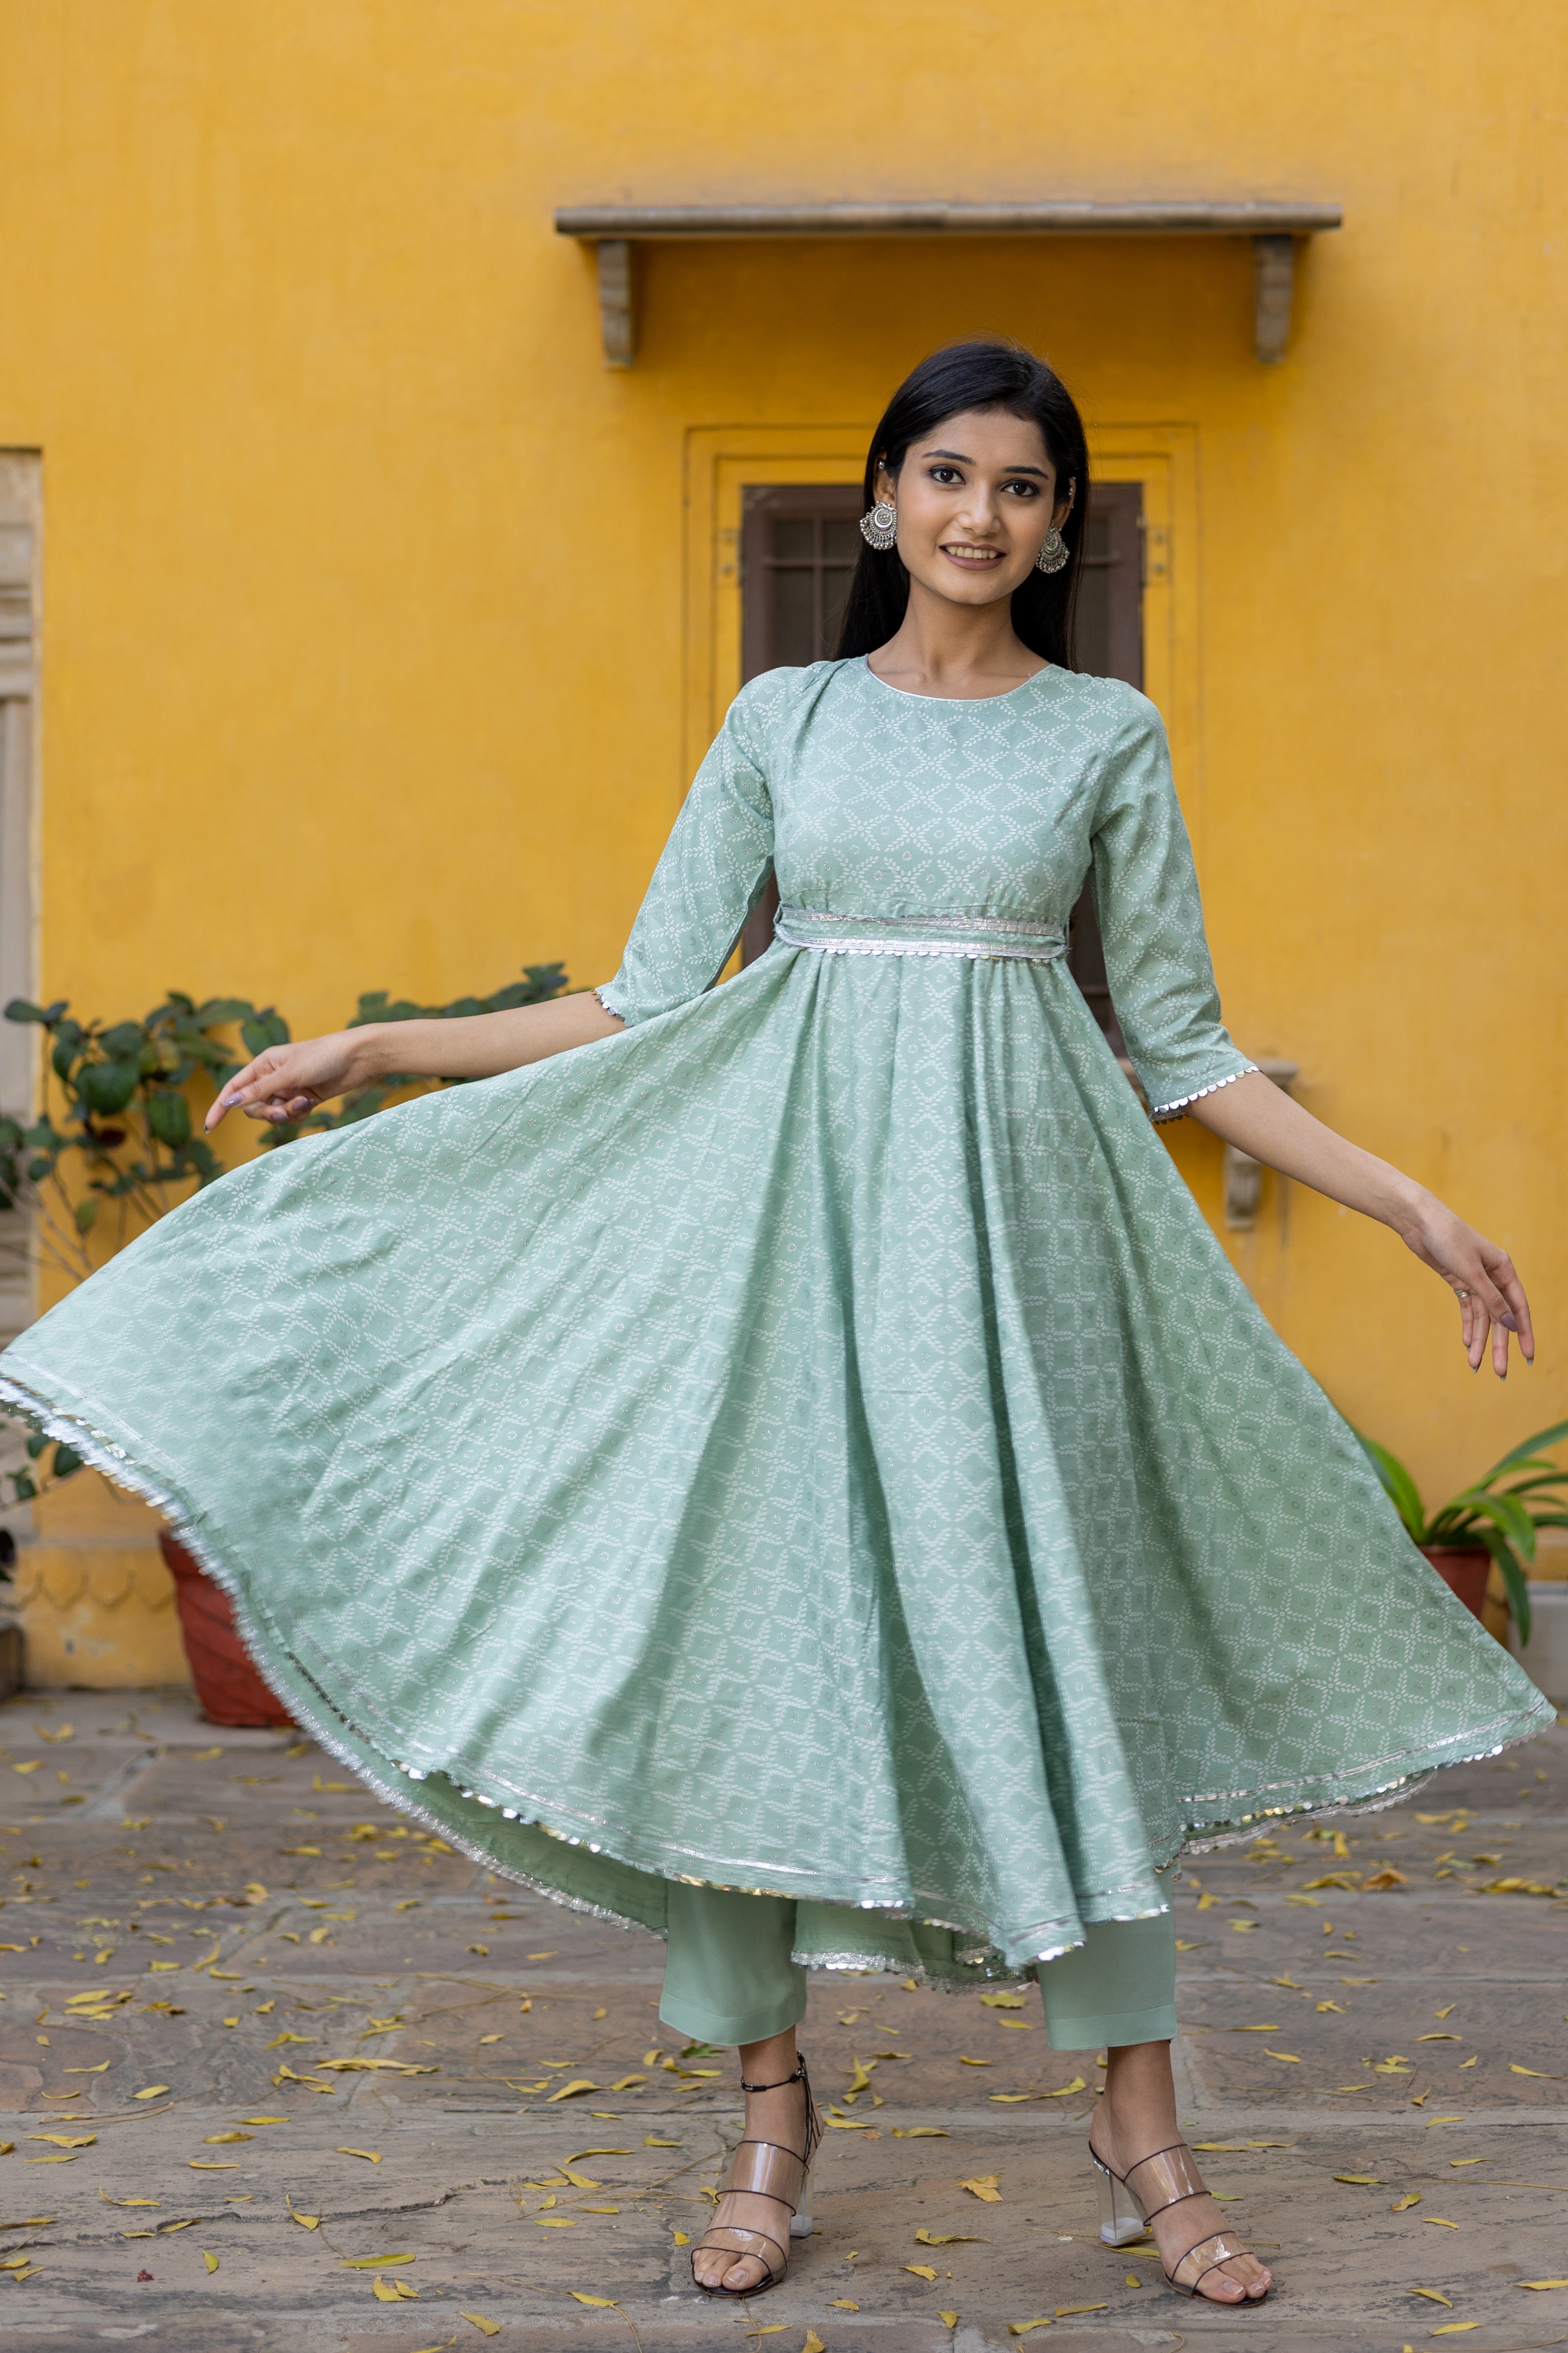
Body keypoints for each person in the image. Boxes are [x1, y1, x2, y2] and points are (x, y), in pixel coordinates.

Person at [0, 340, 1548, 2310]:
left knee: (1056, 1657)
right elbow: (646, 1000)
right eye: (949, 475)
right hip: (790, 1250)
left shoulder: (1103, 738)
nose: (983, 514)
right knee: (752, 1646)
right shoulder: (786, 720)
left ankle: (1140, 2127)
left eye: (1022, 486)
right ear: (887, 495)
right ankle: (766, 2108)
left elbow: (1179, 1041)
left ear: (1059, 521)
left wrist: (1408, 1202)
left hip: (1025, 1272)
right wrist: (386, 1046)